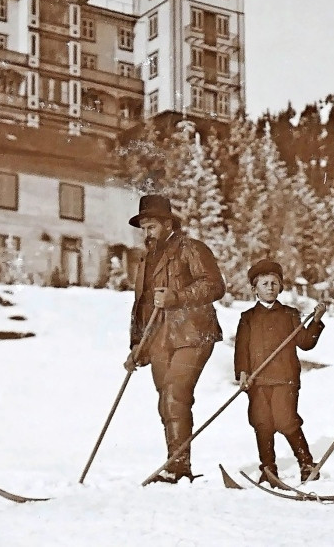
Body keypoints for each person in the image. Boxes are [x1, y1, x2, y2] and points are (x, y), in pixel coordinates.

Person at [123, 194, 226, 483]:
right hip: (158, 338)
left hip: (192, 333)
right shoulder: (145, 261)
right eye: (143, 228)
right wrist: (136, 346)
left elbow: (215, 286)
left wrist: (177, 297)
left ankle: (179, 467)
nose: (147, 233)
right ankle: (175, 463)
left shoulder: (191, 248)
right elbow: (142, 304)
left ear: (168, 224)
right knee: (165, 402)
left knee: (175, 394)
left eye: (152, 226)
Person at [234, 259, 326, 485]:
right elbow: (241, 348)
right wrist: (243, 373)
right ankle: (268, 468)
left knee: (286, 420)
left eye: (274, 283)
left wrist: (315, 321)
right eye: (264, 283)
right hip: (258, 380)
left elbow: (305, 343)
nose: (270, 287)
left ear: (280, 287)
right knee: (261, 422)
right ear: (255, 289)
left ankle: (306, 464)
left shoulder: (290, 314)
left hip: (285, 378)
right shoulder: (248, 317)